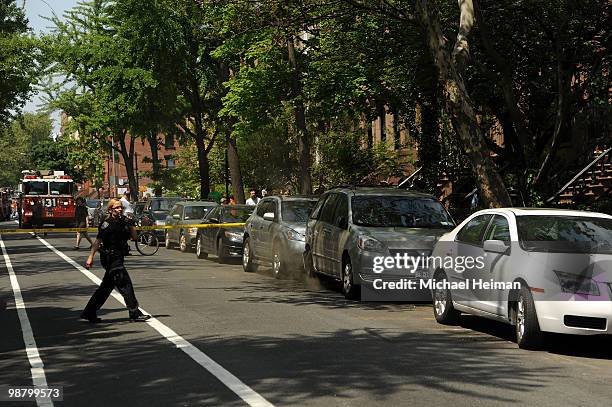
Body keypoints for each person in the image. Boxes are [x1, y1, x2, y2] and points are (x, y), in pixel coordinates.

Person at [81, 198, 150, 323]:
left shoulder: (124, 222)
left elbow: (134, 238)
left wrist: (131, 225)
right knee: (125, 284)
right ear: (110, 209)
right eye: (117, 207)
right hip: (110, 257)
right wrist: (90, 257)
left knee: (106, 287)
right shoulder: (106, 224)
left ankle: (89, 312)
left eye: (121, 207)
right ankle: (134, 312)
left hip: (119, 256)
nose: (120, 210)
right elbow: (98, 241)